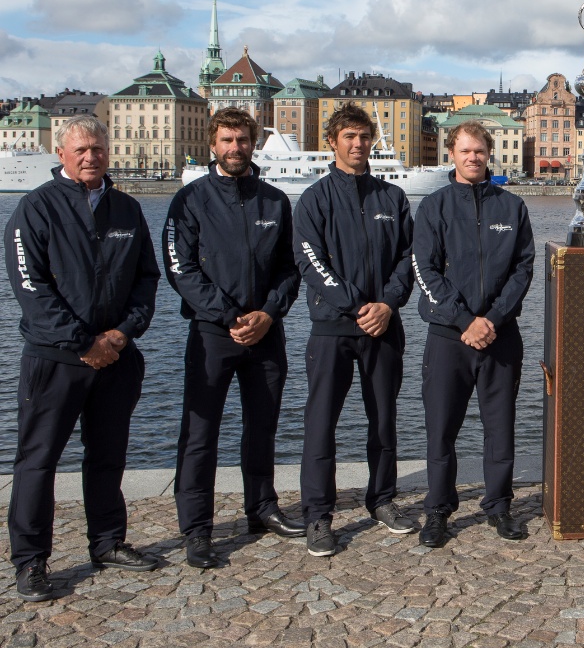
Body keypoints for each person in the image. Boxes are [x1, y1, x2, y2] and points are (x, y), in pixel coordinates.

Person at [4, 115, 160, 601]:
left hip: (115, 356)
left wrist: (119, 334)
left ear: (107, 150)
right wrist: (82, 342)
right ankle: (31, 561)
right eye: (80, 150)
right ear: (61, 153)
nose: (90, 156)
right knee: (38, 461)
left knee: (108, 456)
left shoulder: (127, 210)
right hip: (55, 360)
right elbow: (32, 289)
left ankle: (108, 541)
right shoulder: (35, 209)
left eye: (97, 148)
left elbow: (146, 280)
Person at [164, 107, 303, 569]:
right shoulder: (189, 200)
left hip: (266, 331)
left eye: (242, 140)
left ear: (253, 142)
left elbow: (289, 269)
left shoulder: (275, 201)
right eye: (227, 140)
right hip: (212, 333)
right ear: (213, 144)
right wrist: (229, 316)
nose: (235, 148)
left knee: (261, 425)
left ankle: (261, 507)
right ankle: (197, 528)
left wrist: (267, 312)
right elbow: (180, 269)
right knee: (200, 434)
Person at [293, 104, 416, 557]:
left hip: (383, 326)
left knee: (383, 419)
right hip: (332, 327)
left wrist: (387, 304)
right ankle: (318, 516)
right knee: (320, 424)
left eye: (364, 136)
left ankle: (381, 500)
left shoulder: (392, 198)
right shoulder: (314, 199)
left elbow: (410, 259)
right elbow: (310, 260)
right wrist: (356, 304)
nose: (358, 144)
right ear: (332, 141)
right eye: (349, 136)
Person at [412, 120, 534, 548]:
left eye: (479, 151)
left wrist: (493, 319)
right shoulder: (434, 208)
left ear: (489, 154)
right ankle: (438, 510)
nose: (473, 158)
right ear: (452, 155)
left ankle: (499, 505)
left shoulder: (512, 208)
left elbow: (523, 269)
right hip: (449, 337)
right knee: (441, 430)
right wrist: (466, 321)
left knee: (500, 428)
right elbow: (424, 271)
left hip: (500, 335)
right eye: (465, 151)